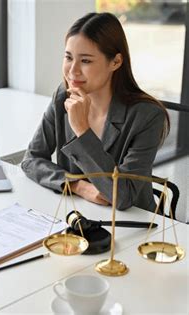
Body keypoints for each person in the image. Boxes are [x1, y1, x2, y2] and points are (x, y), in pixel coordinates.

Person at [21, 12, 169, 211]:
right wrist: (77, 186)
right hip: (78, 213)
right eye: (68, 57)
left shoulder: (148, 117)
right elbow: (31, 160)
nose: (72, 71)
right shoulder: (62, 96)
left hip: (133, 223)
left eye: (86, 61)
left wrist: (82, 130)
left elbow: (123, 197)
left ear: (115, 62)